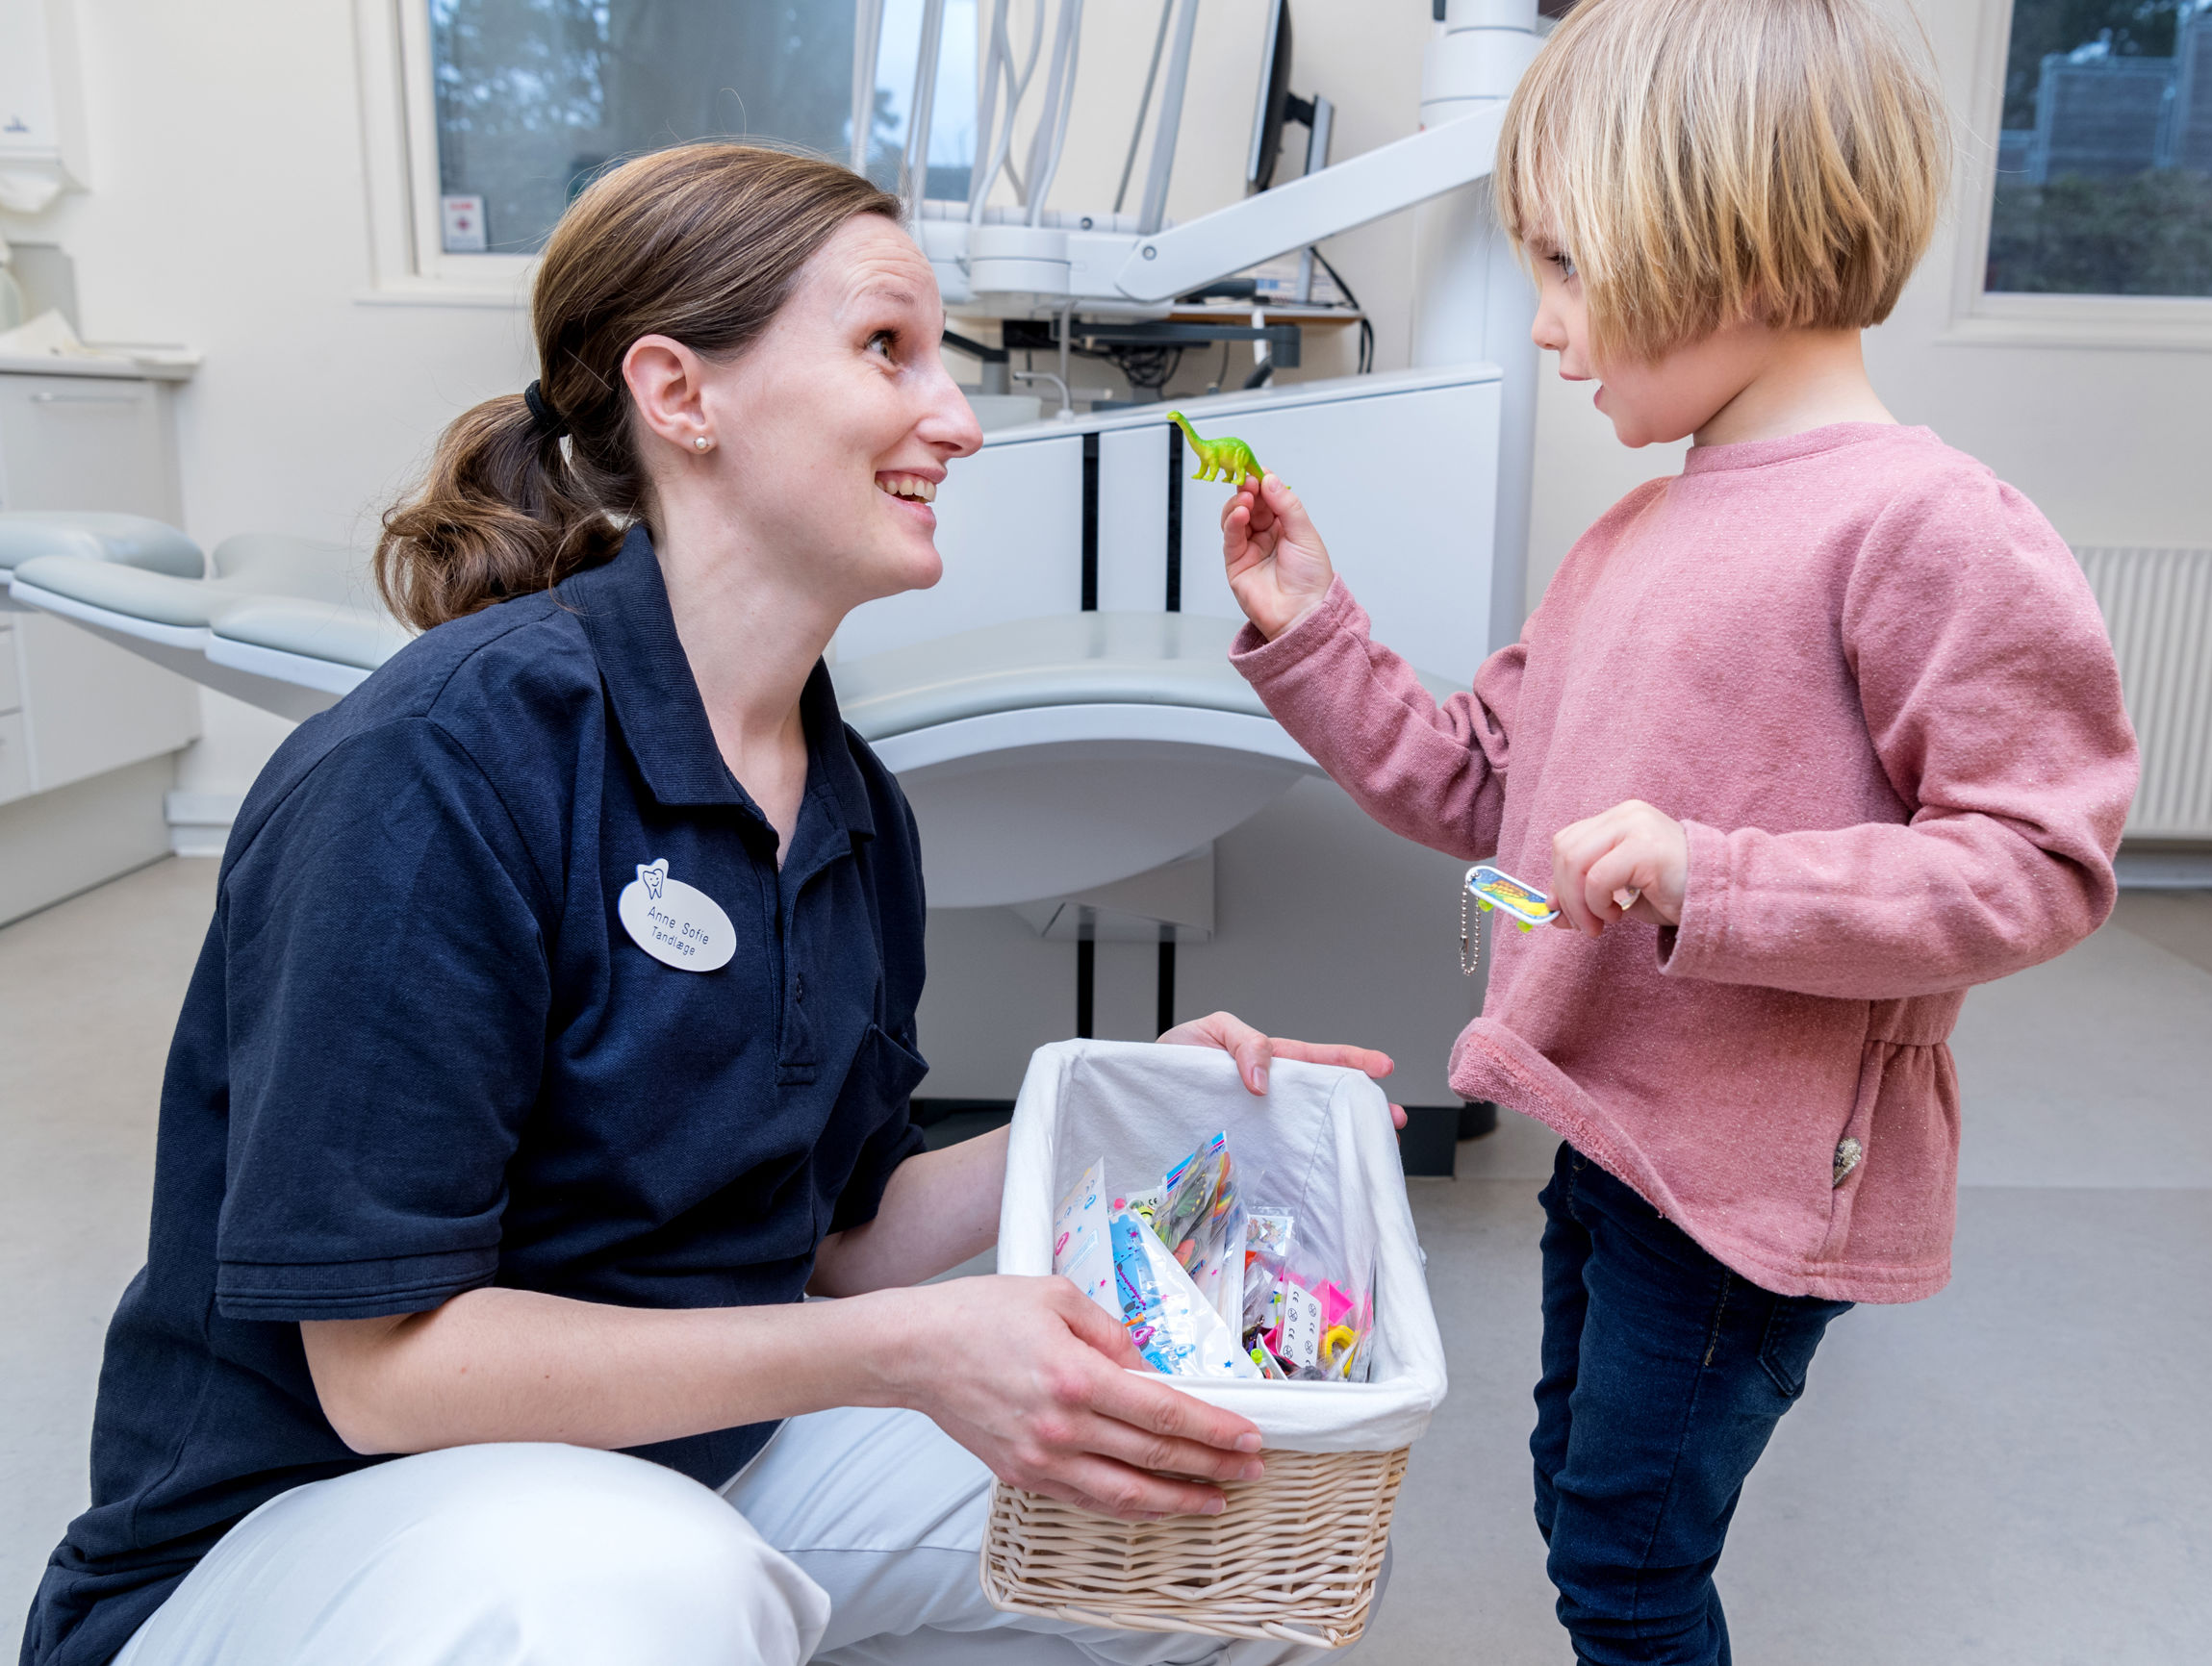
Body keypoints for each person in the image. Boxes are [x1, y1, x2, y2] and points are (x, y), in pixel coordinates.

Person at [21, 143, 1400, 1666]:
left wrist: (1115, 1106)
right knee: (656, 1585)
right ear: (680, 394)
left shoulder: (850, 807)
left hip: (686, 1458)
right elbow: (387, 1375)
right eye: (887, 348)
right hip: (308, 1531)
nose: (956, 418)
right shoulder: (435, 770)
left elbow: (837, 1244)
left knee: (1210, 1512)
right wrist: (902, 1354)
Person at [1213, 0, 2140, 1660]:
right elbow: (1481, 786)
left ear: (1737, 245)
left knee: (1627, 1569)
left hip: (1751, 1175)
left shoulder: (1929, 526)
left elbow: (2037, 863)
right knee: (1584, 1508)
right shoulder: (1633, 534)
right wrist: (1313, 630)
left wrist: (1718, 879)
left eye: (1568, 266)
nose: (1546, 323)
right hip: (1610, 1128)